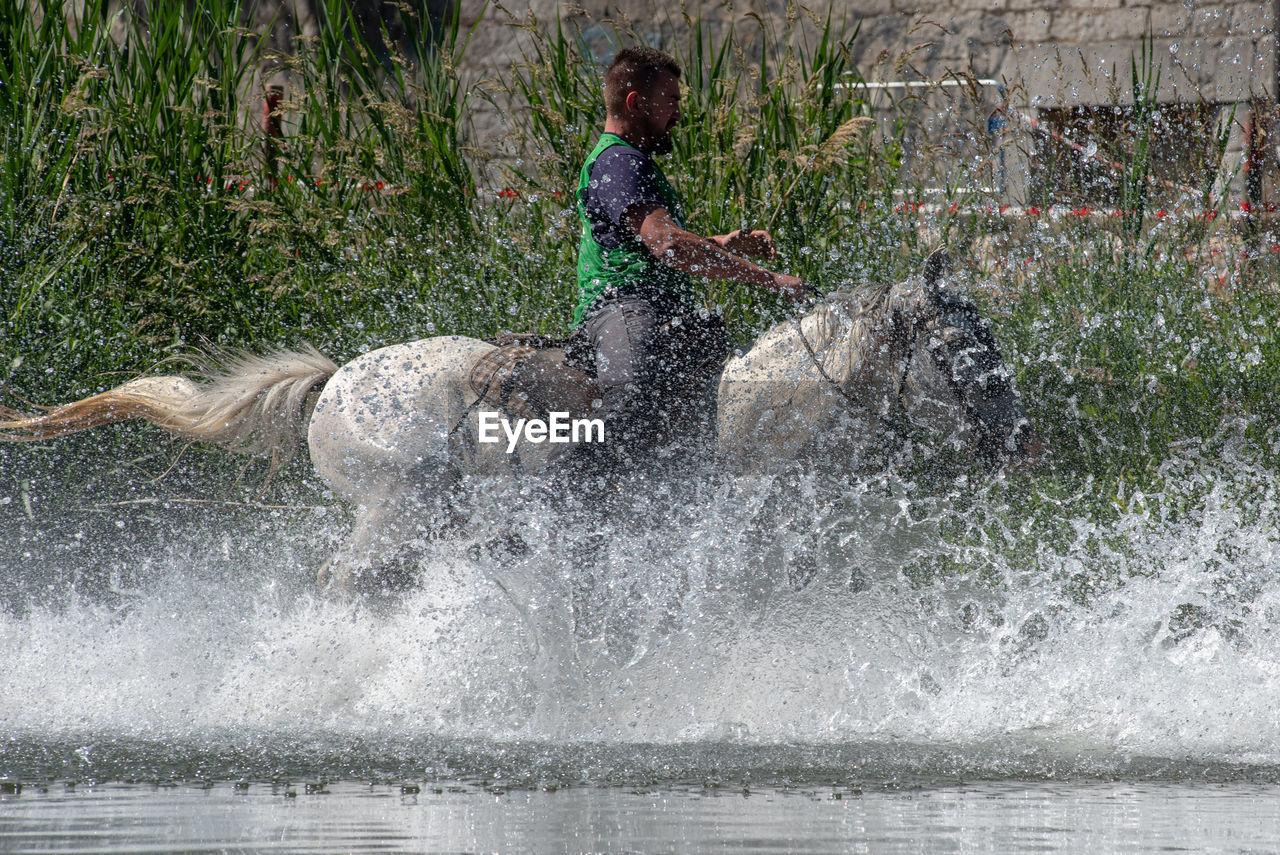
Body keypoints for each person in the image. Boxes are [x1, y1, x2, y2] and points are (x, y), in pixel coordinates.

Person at [570, 46, 811, 473]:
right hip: (624, 307)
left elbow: (652, 241)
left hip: (659, 305)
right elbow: (668, 245)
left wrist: (724, 243)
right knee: (628, 403)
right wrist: (771, 280)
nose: (678, 114)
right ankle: (563, 505)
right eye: (673, 101)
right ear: (635, 102)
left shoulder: (633, 163)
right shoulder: (618, 162)